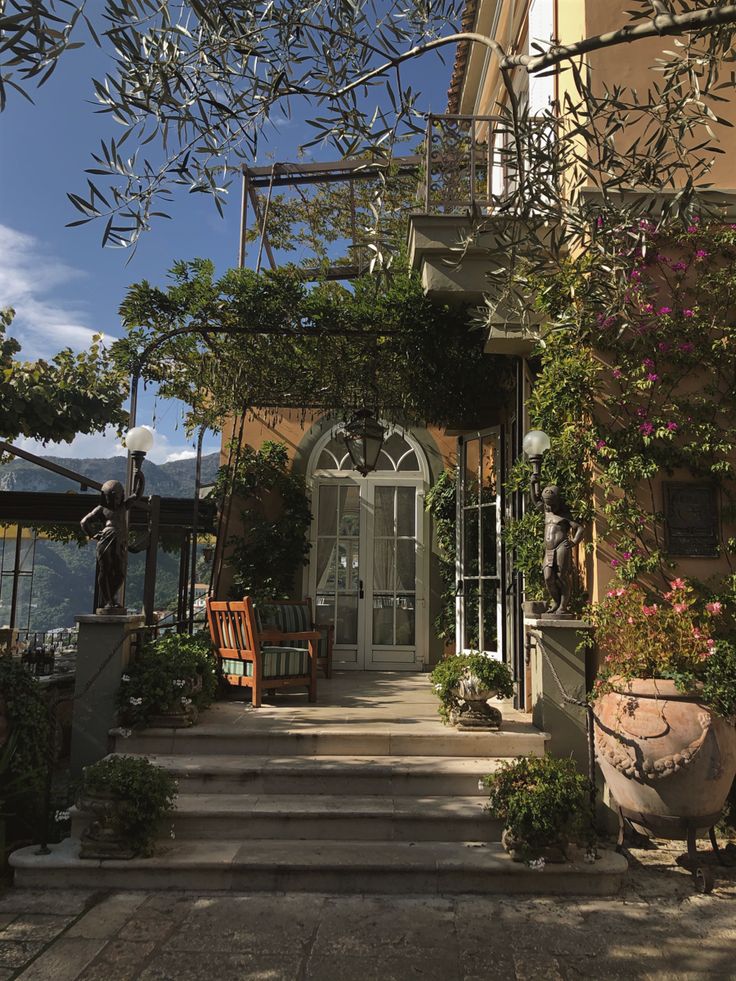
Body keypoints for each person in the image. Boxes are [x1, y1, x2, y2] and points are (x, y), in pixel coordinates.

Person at [530, 481, 585, 617]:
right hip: (549, 550)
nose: (548, 504)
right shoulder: (545, 511)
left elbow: (579, 528)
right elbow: (535, 500)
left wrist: (574, 542)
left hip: (561, 546)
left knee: (562, 575)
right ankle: (556, 602)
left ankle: (563, 606)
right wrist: (533, 483)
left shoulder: (565, 514)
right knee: (548, 577)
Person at [80, 480, 131, 613]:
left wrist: (139, 473)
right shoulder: (101, 509)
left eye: (118, 497)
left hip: (119, 542)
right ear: (106, 497)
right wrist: (93, 534)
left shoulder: (123, 507)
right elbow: (84, 522)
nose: (115, 501)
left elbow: (137, 494)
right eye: (111, 498)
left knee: (120, 573)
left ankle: (109, 598)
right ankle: (108, 601)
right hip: (106, 541)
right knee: (105, 570)